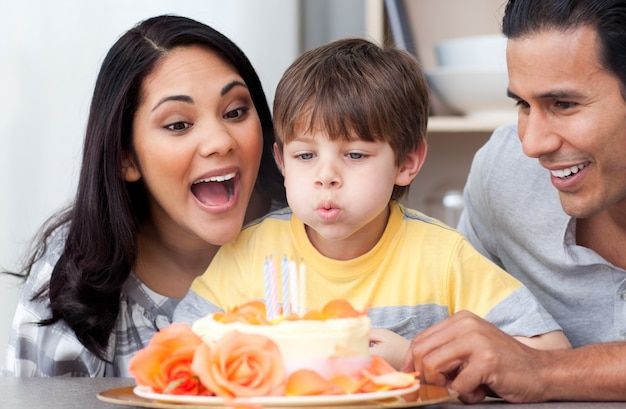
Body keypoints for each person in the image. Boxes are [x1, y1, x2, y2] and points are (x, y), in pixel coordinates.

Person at [174, 37, 570, 370]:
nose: (325, 176)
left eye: (355, 155)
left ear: (406, 162)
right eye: (305, 156)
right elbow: (180, 347)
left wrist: (415, 359)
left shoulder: (442, 257)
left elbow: (550, 352)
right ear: (281, 162)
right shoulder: (249, 252)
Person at [2, 14, 287, 377]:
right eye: (178, 125)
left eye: (235, 112)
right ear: (126, 157)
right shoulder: (70, 277)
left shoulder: (322, 234)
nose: (219, 141)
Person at [402, 0, 626, 403]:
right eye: (522, 104)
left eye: (564, 104)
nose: (532, 144)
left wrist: (544, 369)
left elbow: (528, 366)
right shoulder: (503, 175)